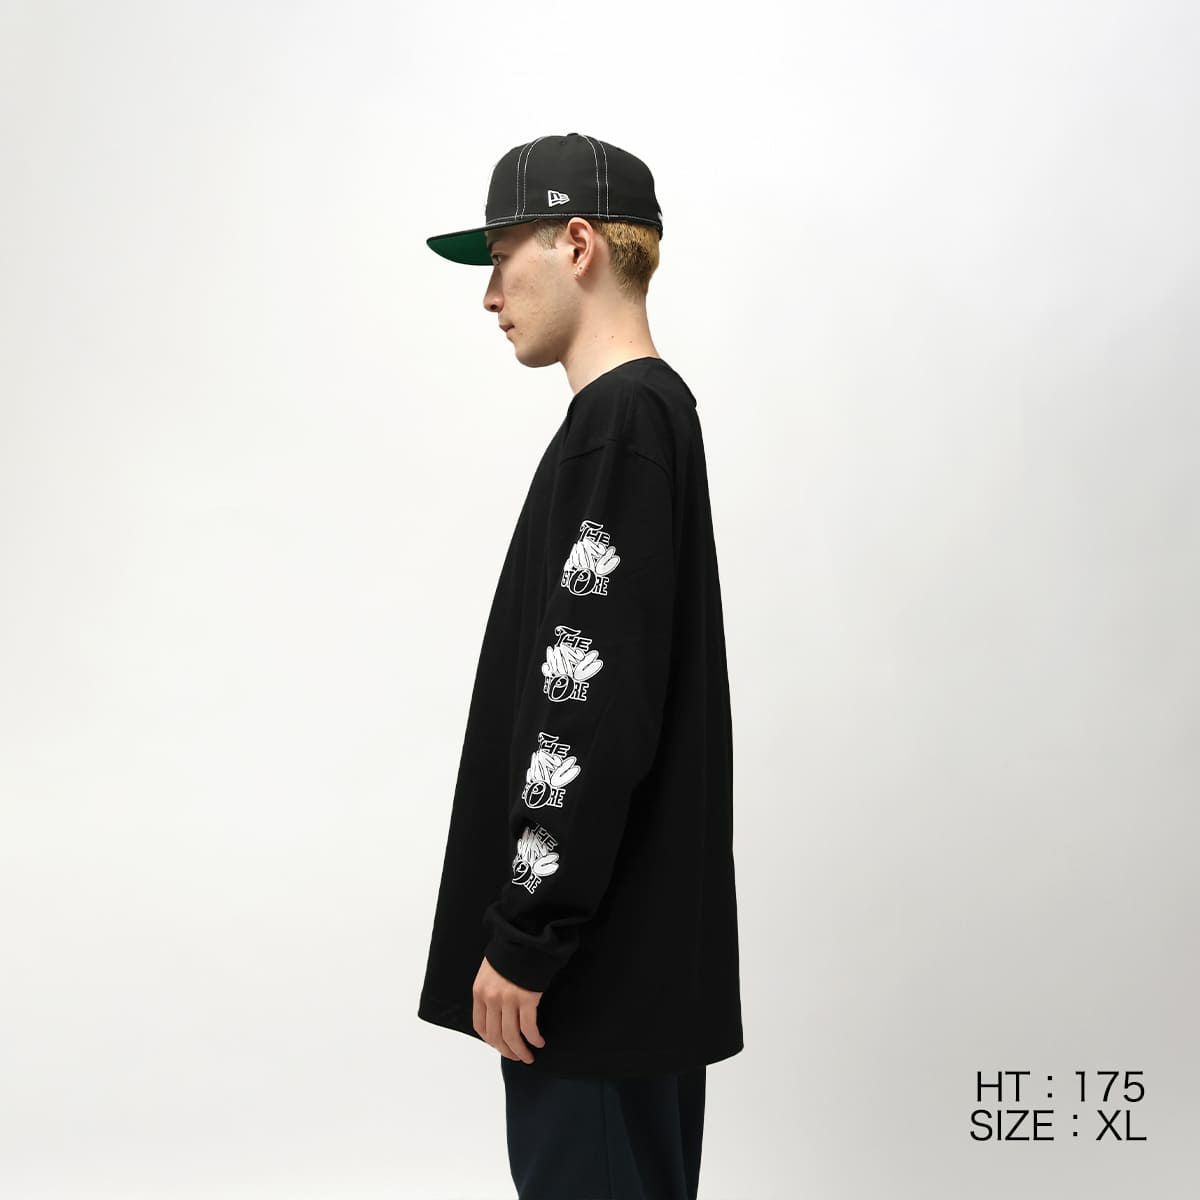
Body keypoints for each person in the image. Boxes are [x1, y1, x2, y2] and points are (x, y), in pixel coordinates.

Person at [417, 132, 743, 1200]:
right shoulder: (644, 419)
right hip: (628, 963)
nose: (489, 296)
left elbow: (589, 704)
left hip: (591, 979)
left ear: (576, 244)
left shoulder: (621, 424)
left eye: (500, 257)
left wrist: (527, 935)